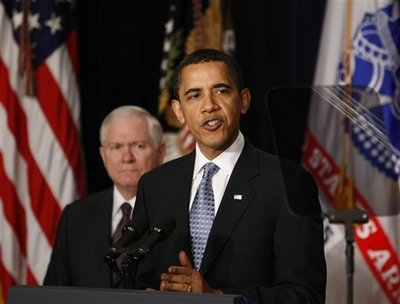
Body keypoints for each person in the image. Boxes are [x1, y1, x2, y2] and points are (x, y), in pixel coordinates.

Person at [133, 49, 326, 303]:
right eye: (194, 95)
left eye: (221, 91)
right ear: (178, 111)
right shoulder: (155, 185)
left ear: (244, 100)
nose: (209, 106)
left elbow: (306, 295)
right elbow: (142, 282)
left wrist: (218, 297)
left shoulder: (286, 183)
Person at [43, 105, 165, 288]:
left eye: (139, 146)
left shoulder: (176, 215)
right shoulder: (75, 216)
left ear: (160, 153)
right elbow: (53, 293)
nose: (126, 157)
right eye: (116, 147)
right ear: (103, 155)